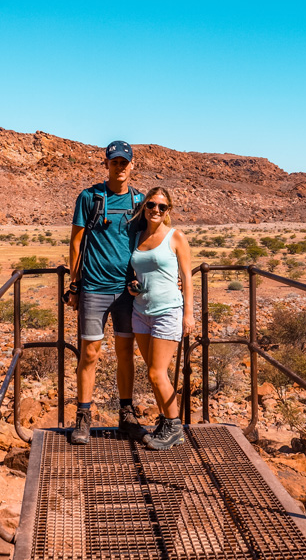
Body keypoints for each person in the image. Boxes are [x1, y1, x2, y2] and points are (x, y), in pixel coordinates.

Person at [66, 140, 148, 445]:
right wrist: (75, 283)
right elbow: (76, 242)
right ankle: (83, 417)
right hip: (94, 288)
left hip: (128, 292)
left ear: (132, 165)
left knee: (126, 353)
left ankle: (126, 416)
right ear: (106, 165)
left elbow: (152, 242)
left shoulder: (141, 201)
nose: (120, 166)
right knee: (89, 353)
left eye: (125, 162)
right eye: (114, 162)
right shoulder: (89, 198)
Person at [128, 187, 193, 450]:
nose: (156, 210)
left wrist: (189, 314)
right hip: (140, 312)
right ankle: (166, 422)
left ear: (168, 211)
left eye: (162, 207)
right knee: (155, 373)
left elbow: (187, 277)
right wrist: (134, 285)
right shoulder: (137, 237)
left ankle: (175, 428)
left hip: (168, 311)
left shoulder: (175, 237)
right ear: (144, 207)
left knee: (157, 373)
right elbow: (136, 271)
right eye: (151, 205)